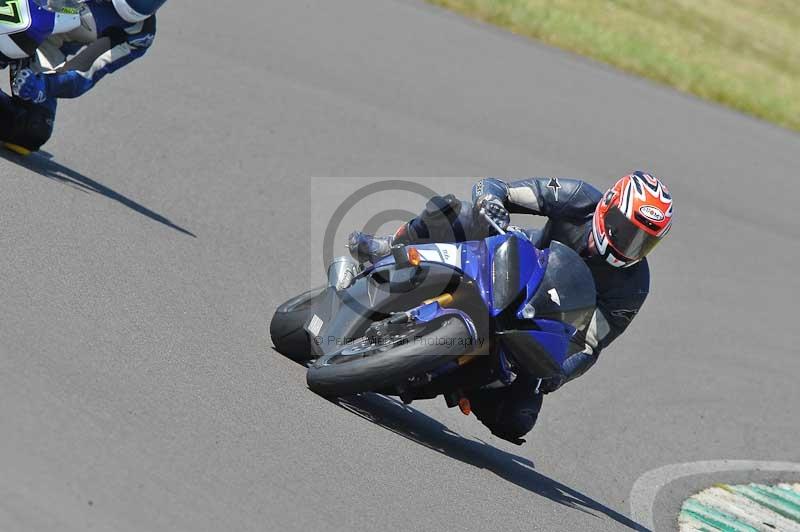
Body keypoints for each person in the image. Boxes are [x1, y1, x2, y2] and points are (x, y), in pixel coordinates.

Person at [348, 171, 673, 444]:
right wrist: (491, 203)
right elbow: (497, 188)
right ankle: (388, 248)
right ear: (608, 206)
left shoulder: (634, 287)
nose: (632, 245)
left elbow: (589, 344)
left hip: (537, 321)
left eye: (645, 240)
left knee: (517, 420)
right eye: (628, 229)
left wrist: (557, 373)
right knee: (455, 213)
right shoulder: (577, 197)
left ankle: (460, 382)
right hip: (512, 260)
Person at [1, 0, 166, 153]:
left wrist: (45, 84)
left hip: (47, 49)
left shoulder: (140, 33)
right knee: (21, 25)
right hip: (19, 14)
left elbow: (85, 72)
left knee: (33, 130)